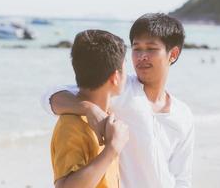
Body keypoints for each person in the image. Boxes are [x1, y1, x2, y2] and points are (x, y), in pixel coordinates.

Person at [42, 13, 195, 188]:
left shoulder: (183, 114)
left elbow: (182, 177)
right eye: (137, 48)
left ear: (173, 54)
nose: (141, 56)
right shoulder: (118, 87)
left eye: (151, 49)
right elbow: (49, 97)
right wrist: (88, 108)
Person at [51, 29, 129, 188]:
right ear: (115, 77)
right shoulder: (71, 125)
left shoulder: (109, 115)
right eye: (125, 67)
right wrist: (112, 149)